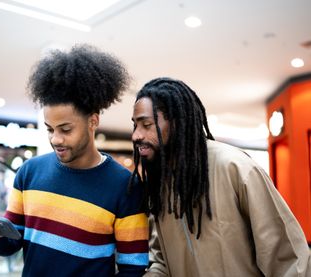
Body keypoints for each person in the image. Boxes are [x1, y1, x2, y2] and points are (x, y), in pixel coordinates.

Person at [0, 45, 149, 276]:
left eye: (65, 129)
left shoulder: (125, 186)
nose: (55, 138)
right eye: (50, 129)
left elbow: (134, 267)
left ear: (93, 121)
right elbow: (11, 242)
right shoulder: (29, 172)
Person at [129, 77, 311, 276]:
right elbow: (162, 262)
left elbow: (287, 259)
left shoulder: (235, 168)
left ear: (177, 123)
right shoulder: (160, 186)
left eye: (146, 125)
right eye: (135, 126)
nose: (136, 135)